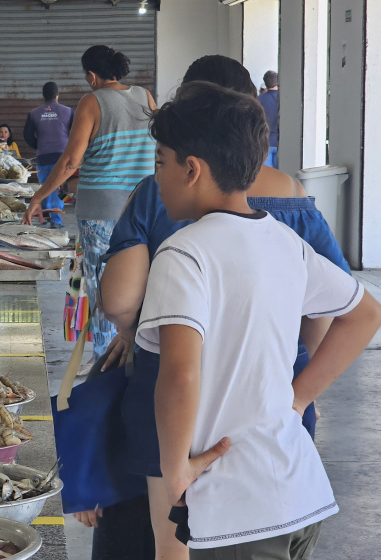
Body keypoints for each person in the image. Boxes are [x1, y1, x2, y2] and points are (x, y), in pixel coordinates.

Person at [100, 54, 350, 560]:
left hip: (180, 423)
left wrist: (137, 330)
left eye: (160, 161)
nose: (157, 172)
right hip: (273, 420)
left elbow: (127, 309)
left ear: (189, 164)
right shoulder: (293, 213)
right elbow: (350, 308)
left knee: (176, 546)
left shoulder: (174, 229)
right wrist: (299, 389)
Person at [22, 46, 156, 360]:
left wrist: (38, 196)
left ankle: (105, 365)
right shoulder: (146, 96)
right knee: (139, 286)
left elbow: (70, 161)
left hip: (101, 213)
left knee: (104, 293)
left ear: (92, 76)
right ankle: (137, 358)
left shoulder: (91, 101)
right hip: (142, 210)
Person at [23, 82, 73, 228]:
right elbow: (77, 133)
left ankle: (44, 218)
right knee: (60, 188)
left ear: (43, 95)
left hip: (43, 157)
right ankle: (57, 220)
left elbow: (27, 135)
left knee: (44, 187)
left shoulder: (34, 113)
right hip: (62, 157)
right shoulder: (68, 111)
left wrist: (39, 146)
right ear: (57, 94)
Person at [258, 70, 279, 167]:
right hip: (281, 141)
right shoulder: (284, 98)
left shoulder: (258, 100)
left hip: (264, 142)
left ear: (265, 83)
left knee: (268, 176)